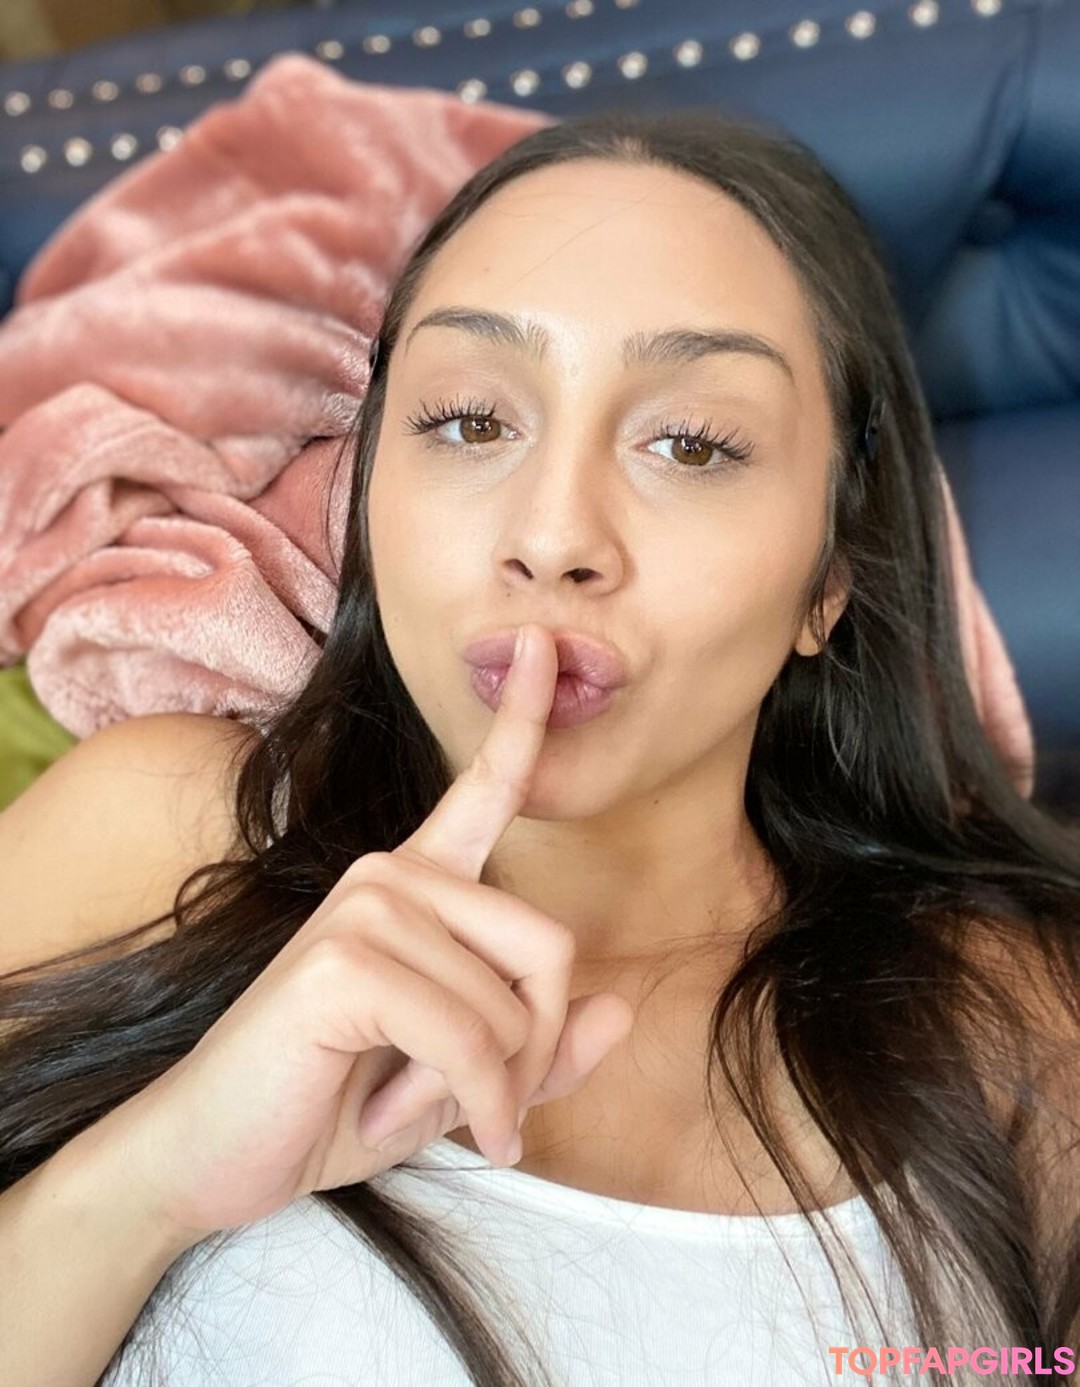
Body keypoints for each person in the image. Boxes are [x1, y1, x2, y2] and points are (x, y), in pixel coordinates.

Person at [0, 107, 1078, 1387]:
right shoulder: (161, 831)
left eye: (691, 444)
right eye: (469, 421)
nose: (554, 534)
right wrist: (148, 1180)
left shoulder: (1019, 1013)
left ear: (827, 582)